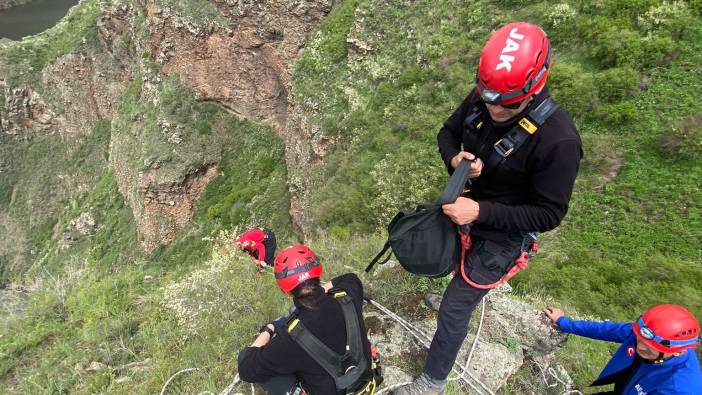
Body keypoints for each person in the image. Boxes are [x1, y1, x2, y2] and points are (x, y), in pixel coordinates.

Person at [395, 22, 583, 394]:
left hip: (502, 235)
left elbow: (549, 214)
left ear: (535, 87)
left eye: (507, 103)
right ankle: (452, 298)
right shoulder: (487, 96)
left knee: (454, 308)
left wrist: (480, 212)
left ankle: (432, 382)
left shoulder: (559, 142)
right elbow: (446, 132)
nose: (495, 108)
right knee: (447, 263)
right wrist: (455, 158)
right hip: (465, 211)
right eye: (488, 98)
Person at [237, 245, 379, 394]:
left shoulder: (291, 338)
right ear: (318, 272)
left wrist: (269, 328)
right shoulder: (348, 295)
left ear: (284, 291)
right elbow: (350, 278)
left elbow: (246, 368)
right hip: (365, 380)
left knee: (269, 372)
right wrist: (318, 292)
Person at [544, 304, 702, 394]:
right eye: (638, 339)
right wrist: (563, 322)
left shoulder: (679, 388)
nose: (640, 347)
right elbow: (605, 330)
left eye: (649, 348)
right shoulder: (645, 333)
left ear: (678, 351)